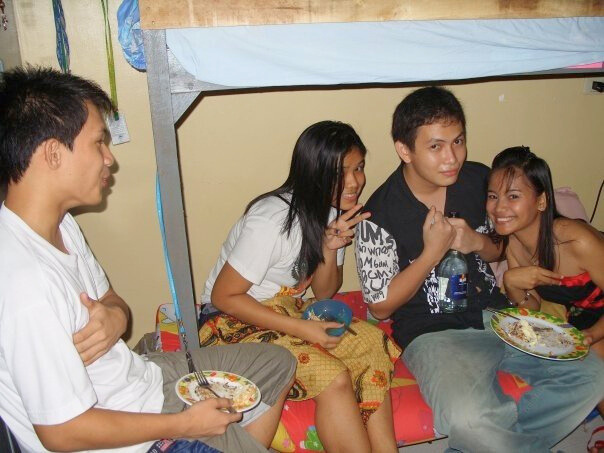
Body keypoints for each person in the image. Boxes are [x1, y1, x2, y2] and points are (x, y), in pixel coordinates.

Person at [0, 66, 296, 453]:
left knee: (278, 362)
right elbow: (61, 432)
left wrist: (116, 317)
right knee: (213, 424)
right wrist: (186, 424)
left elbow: (111, 300)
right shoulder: (25, 283)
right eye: (98, 143)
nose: (109, 159)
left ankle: (226, 441)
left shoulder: (61, 225)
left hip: (138, 382)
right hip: (130, 437)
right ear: (53, 153)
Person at [355, 86, 604, 452]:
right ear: (405, 150)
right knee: (469, 418)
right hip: (434, 331)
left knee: (591, 375)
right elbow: (380, 307)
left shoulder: (476, 180)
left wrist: (476, 243)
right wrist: (430, 254)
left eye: (458, 141)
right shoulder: (377, 216)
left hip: (498, 314)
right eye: (436, 146)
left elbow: (501, 245)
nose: (451, 158)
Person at [199, 121, 401, 453]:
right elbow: (224, 296)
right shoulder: (272, 221)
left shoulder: (333, 214)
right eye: (340, 172)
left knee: (371, 343)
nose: (354, 182)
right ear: (312, 173)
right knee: (333, 376)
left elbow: (324, 293)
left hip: (285, 312)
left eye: (358, 167)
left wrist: (329, 248)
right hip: (229, 322)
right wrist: (301, 329)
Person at [487, 145, 604, 417]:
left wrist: (591, 335)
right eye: (493, 196)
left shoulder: (576, 240)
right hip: (583, 320)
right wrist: (512, 283)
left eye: (513, 196)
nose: (499, 207)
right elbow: (534, 308)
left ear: (541, 201)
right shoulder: (514, 242)